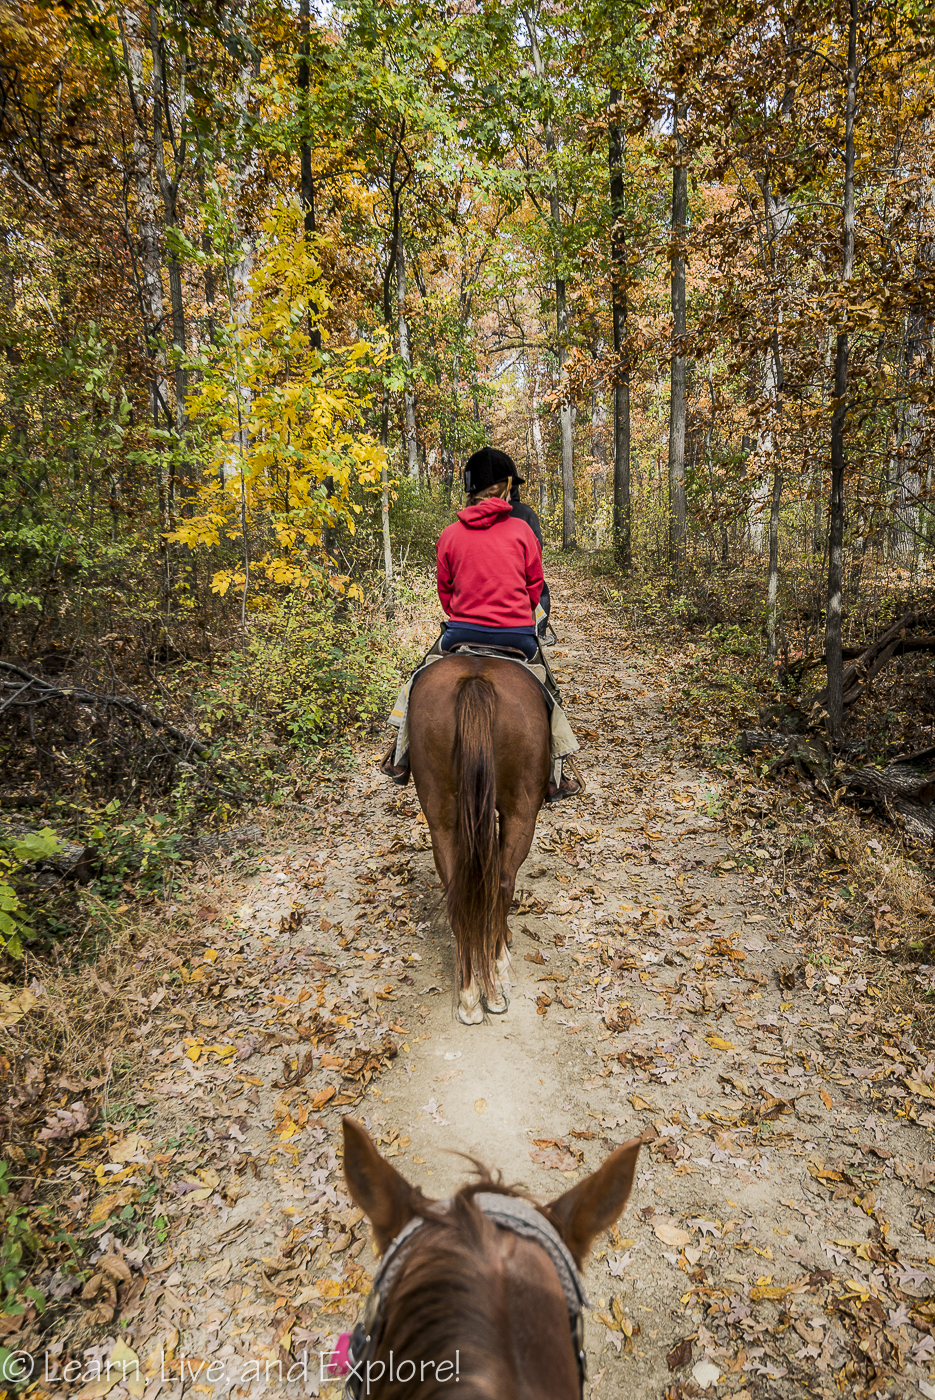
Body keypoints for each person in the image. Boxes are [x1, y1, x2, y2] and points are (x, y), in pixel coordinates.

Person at [380, 446, 582, 801]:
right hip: (517, 637)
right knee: (550, 692)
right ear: (504, 489)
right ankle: (562, 771)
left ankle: (399, 753)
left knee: (416, 680)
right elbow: (535, 586)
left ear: (471, 491)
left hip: (461, 633)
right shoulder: (522, 530)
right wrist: (517, 612)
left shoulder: (448, 535)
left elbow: (446, 593)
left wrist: (466, 611)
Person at [508, 467, 555, 646]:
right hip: (520, 570)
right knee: (542, 590)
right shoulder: (526, 512)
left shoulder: (486, 513)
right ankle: (540, 634)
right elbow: (537, 546)